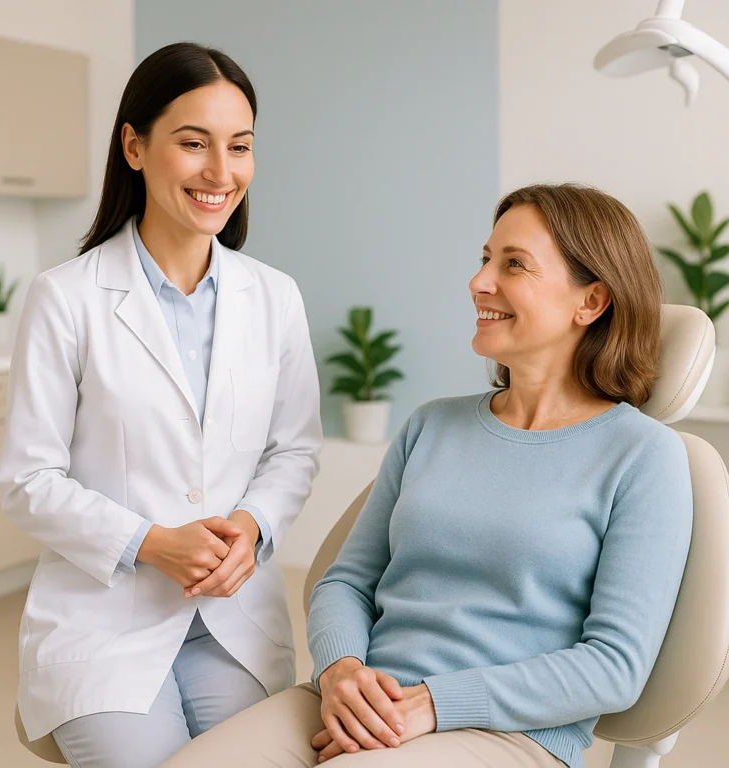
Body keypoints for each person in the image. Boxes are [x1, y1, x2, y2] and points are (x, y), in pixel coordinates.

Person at [160, 184, 692, 768]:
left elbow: (614, 667)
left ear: (590, 302)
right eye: (485, 258)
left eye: (514, 264)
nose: (480, 281)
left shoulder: (645, 457)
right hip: (356, 698)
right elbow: (346, 581)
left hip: (507, 735)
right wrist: (341, 672)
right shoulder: (432, 426)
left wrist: (432, 705)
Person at [0, 42, 322, 768]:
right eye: (193, 144)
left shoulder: (274, 297)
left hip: (234, 620)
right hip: (103, 623)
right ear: (135, 147)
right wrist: (150, 542)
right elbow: (26, 480)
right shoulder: (66, 298)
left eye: (239, 147)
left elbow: (294, 448)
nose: (221, 171)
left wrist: (251, 523)